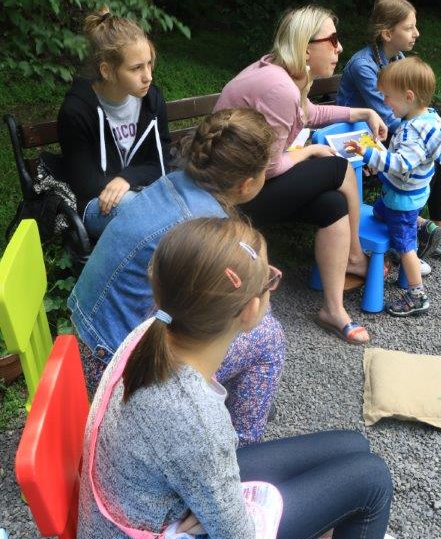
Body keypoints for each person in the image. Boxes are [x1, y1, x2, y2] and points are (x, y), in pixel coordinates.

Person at [76, 216, 416, 539]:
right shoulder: (194, 414)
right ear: (251, 310)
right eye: (271, 280)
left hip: (137, 527)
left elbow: (186, 456)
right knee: (371, 480)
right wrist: (218, 513)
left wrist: (210, 507)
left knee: (353, 445)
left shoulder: (151, 332)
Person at [68, 108, 285, 445]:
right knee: (268, 336)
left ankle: (241, 399)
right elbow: (214, 315)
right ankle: (242, 446)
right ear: (247, 184)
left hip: (88, 339)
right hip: (114, 368)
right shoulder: (204, 230)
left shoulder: (172, 182)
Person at [215, 5, 391, 345]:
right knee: (338, 167)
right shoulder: (278, 87)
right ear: (306, 48)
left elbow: (310, 113)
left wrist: (363, 112)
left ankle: (333, 309)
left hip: (249, 185)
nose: (340, 48)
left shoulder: (284, 73)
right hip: (232, 197)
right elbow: (269, 167)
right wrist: (310, 152)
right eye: (333, 40)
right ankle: (355, 257)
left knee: (331, 204)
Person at [337, 0, 441, 265]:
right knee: (426, 152)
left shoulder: (397, 58)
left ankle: (435, 231)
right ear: (387, 34)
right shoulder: (364, 66)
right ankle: (414, 235)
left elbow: (414, 108)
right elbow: (391, 116)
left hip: (385, 134)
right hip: (358, 138)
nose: (417, 33)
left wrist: (440, 136)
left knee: (432, 152)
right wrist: (431, 136)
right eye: (409, 27)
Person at [347, 57, 441, 316]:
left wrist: (368, 153)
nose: (385, 102)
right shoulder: (431, 117)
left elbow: (401, 164)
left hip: (402, 198)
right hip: (413, 194)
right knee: (378, 212)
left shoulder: (412, 133)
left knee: (405, 246)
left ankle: (417, 296)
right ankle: (423, 225)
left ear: (408, 96)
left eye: (388, 96)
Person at [58, 5, 171, 239]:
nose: (148, 76)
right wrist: (131, 184)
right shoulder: (77, 111)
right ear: (107, 71)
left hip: (141, 193)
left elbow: (161, 164)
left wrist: (127, 178)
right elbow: (85, 184)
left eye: (149, 64)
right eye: (136, 68)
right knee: (142, 210)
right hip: (97, 205)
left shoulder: (152, 101)